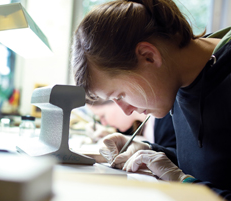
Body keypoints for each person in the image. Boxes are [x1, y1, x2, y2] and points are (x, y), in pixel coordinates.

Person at [71, 0, 231, 199]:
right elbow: (213, 166)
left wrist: (185, 184)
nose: (127, 111)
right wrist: (147, 149)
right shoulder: (178, 81)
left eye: (120, 95)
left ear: (149, 56)